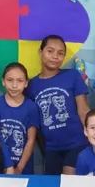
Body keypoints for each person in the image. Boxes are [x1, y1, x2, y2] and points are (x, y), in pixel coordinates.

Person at [26, 35, 90, 175]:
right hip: (51, 148)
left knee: (69, 181)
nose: (55, 56)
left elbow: (83, 110)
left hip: (77, 143)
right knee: (52, 185)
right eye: (50, 51)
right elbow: (35, 122)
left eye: (60, 53)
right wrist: (44, 146)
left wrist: (93, 137)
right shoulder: (31, 85)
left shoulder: (72, 76)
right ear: (40, 52)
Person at [0, 62, 38, 174]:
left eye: (20, 81)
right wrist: (6, 166)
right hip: (0, 167)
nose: (14, 85)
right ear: (3, 81)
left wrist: (19, 168)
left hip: (24, 168)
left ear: (26, 83)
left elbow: (31, 140)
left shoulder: (31, 107)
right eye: (10, 80)